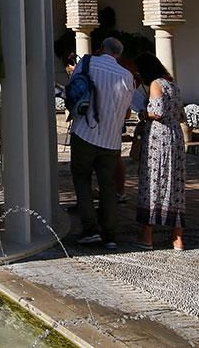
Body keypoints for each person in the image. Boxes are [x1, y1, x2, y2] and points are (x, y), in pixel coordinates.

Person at [70, 37, 135, 249]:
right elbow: (126, 112)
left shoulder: (88, 63)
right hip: (112, 139)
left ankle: (90, 230)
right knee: (108, 185)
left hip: (85, 131)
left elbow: (73, 89)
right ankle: (110, 234)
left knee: (82, 179)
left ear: (101, 49)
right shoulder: (127, 76)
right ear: (119, 54)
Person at [132, 53, 186, 250]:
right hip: (175, 137)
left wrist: (142, 112)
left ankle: (147, 236)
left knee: (153, 181)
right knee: (175, 183)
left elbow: (158, 112)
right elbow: (181, 115)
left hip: (158, 138)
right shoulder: (173, 85)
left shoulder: (156, 84)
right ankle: (177, 237)